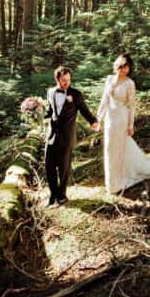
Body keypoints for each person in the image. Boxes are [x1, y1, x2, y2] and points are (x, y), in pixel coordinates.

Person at [96, 54, 150, 195]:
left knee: (120, 149)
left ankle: (117, 182)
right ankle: (111, 183)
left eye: (126, 67)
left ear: (129, 69)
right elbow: (104, 99)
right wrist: (98, 118)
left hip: (122, 118)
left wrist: (130, 125)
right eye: (121, 66)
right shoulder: (109, 79)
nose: (123, 70)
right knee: (109, 149)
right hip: (110, 119)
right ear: (116, 66)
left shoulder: (130, 83)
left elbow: (131, 106)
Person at [43, 66, 100, 206]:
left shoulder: (76, 94)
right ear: (57, 79)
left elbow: (84, 110)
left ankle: (61, 196)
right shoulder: (51, 92)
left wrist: (93, 121)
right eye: (63, 80)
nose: (66, 83)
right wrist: (38, 112)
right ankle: (52, 195)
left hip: (67, 135)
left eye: (68, 80)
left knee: (63, 168)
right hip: (51, 135)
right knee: (49, 166)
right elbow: (51, 111)